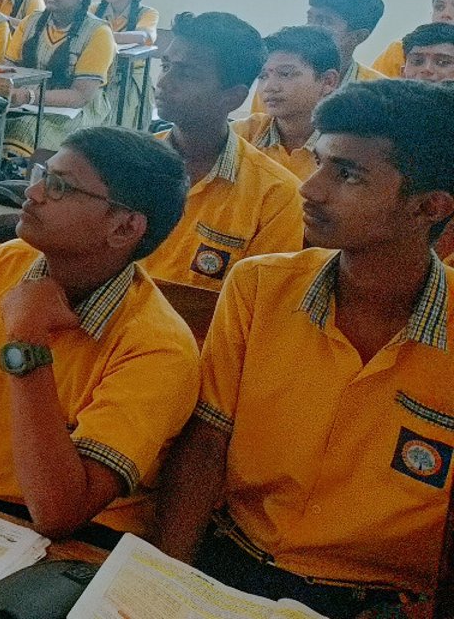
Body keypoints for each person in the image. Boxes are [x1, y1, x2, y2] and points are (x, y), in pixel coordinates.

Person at [156, 80, 454, 617]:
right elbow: (205, 445)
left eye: (347, 174)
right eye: (319, 162)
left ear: (428, 207)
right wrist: (165, 583)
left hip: (379, 602)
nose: (310, 189)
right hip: (230, 565)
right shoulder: (261, 287)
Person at [0, 127, 196, 547]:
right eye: (43, 173)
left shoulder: (158, 347)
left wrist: (26, 340)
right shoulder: (9, 260)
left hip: (79, 533)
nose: (33, 191)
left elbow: (60, 512)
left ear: (125, 228)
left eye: (60, 187)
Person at [140, 12, 304, 290]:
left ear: (234, 96)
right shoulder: (128, 162)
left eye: (187, 73)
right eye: (165, 66)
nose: (164, 83)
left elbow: (257, 305)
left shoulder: (276, 195)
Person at [2, 0, 114, 158]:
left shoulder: (98, 32)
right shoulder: (31, 22)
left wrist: (29, 96)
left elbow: (81, 96)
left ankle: (20, 182)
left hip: (77, 111)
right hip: (28, 104)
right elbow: (8, 70)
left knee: (25, 129)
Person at [231, 26, 340, 181]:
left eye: (285, 74)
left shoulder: (349, 146)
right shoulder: (240, 135)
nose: (270, 87)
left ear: (328, 81)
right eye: (262, 76)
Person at [95, 0, 159, 128]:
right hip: (100, 75)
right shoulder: (95, 10)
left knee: (121, 126)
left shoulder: (146, 13)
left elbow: (143, 36)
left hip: (130, 80)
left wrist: (102, 36)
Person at [370, 0, 452, 77]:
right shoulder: (400, 49)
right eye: (439, 7)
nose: (445, 14)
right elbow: (372, 90)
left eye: (443, 62)